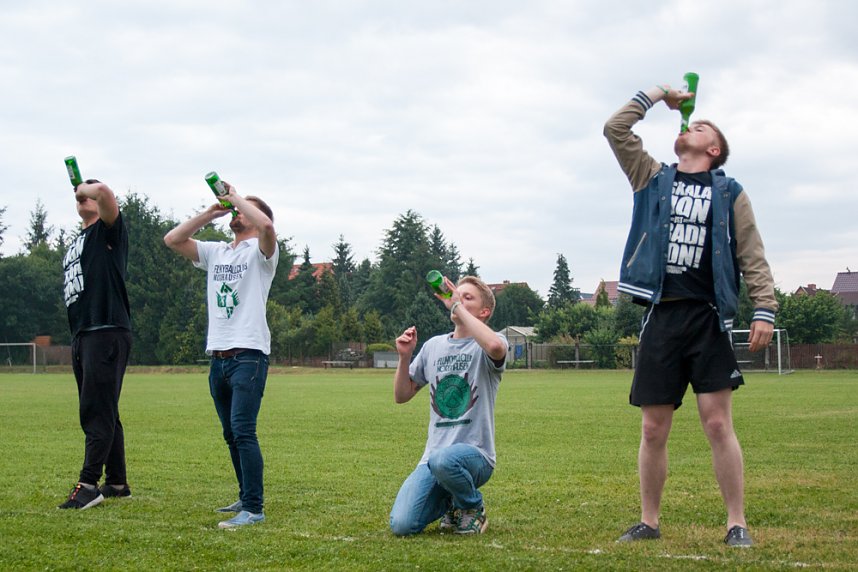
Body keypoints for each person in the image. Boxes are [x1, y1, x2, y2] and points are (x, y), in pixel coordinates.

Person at [604, 83, 778, 547]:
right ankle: (649, 522)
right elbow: (615, 128)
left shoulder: (730, 193)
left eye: (701, 126)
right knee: (652, 426)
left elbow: (752, 255)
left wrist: (764, 308)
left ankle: (736, 523)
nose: (691, 127)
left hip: (707, 317)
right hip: (662, 315)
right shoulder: (652, 177)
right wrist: (659, 94)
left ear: (714, 148)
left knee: (718, 423)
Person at [164, 182, 278, 529]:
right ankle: (245, 496)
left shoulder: (263, 253)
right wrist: (211, 212)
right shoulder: (216, 252)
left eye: (244, 209)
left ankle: (254, 508)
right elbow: (173, 240)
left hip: (249, 355)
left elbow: (269, 227)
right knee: (230, 433)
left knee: (244, 430)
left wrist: (237, 198)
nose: (235, 211)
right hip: (219, 356)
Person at [389, 275, 507, 536]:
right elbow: (402, 394)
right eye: (457, 295)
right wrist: (404, 357)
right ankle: (451, 503)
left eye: (468, 298)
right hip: (433, 459)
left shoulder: (489, 342)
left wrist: (456, 306)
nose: (459, 301)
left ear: (484, 311)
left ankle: (472, 507)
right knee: (402, 525)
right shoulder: (434, 346)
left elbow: (496, 347)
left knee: (444, 459)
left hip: (475, 456)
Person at [59, 179, 133, 509]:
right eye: (79, 196)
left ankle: (88, 484)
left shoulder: (108, 231)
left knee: (95, 410)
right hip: (84, 333)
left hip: (106, 330)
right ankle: (116, 482)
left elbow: (104, 194)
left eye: (89, 194)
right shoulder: (78, 241)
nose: (84, 198)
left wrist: (87, 187)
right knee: (106, 408)